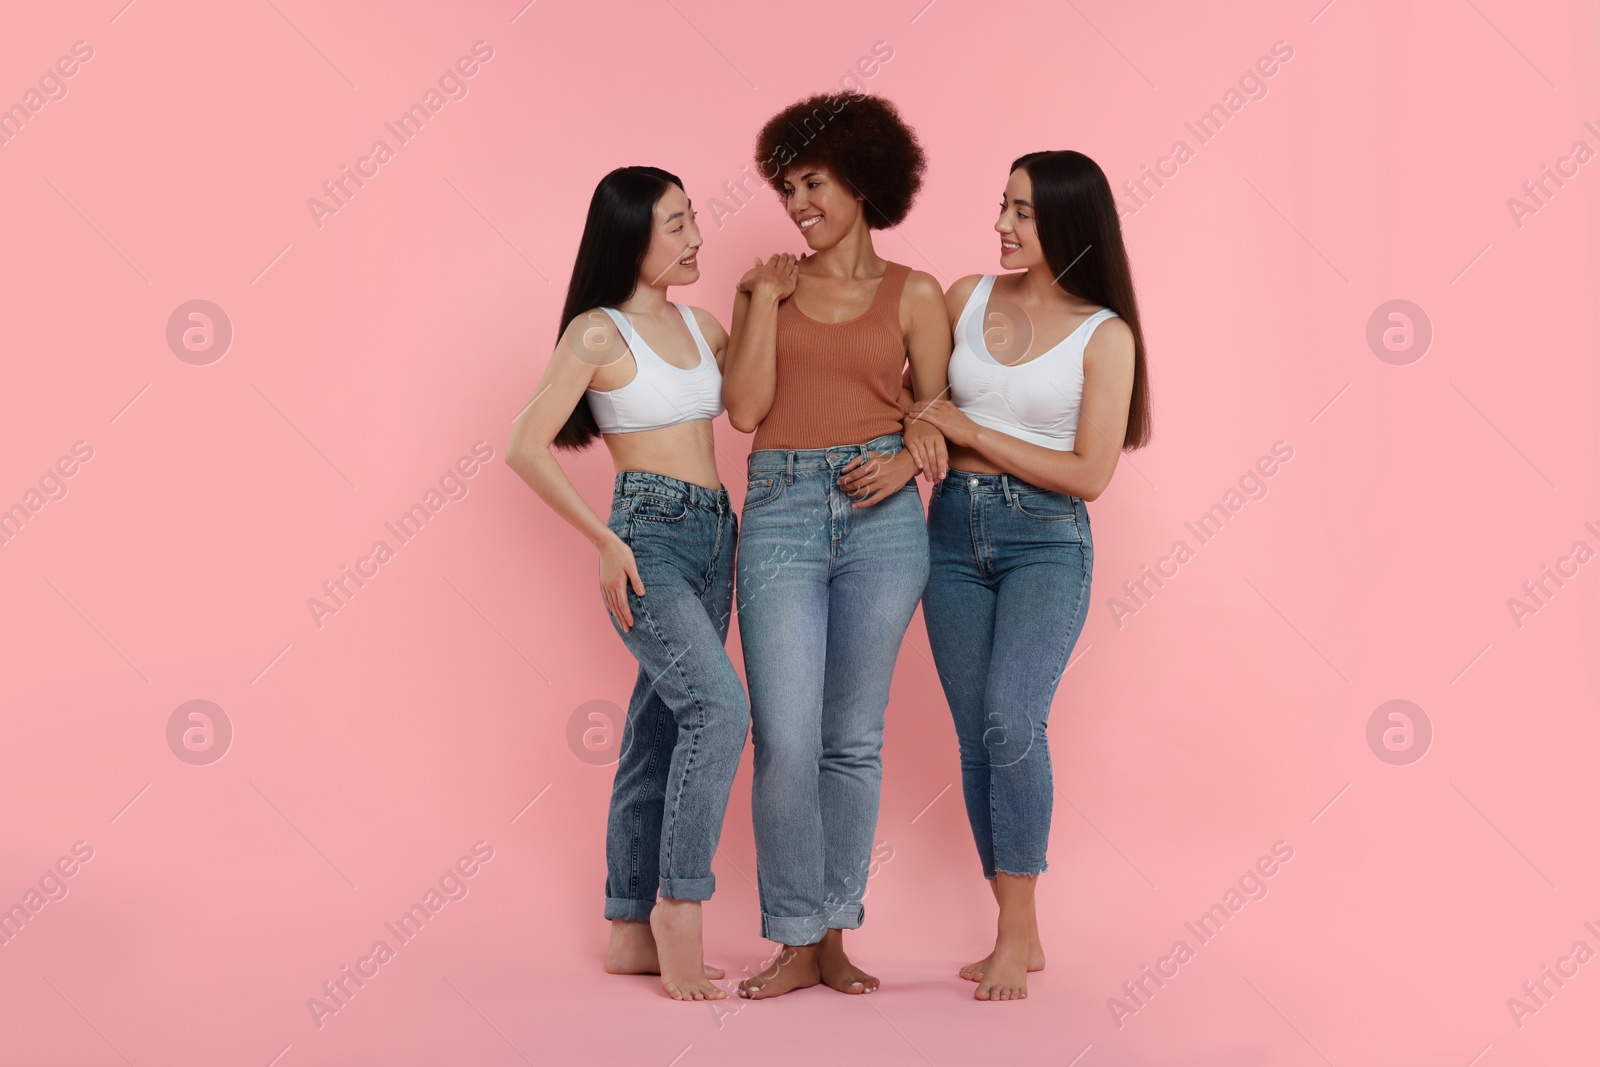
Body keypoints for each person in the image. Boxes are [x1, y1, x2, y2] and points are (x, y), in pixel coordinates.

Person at [908, 149, 1152, 1001]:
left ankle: (1016, 932)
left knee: (1014, 720)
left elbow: (1089, 473)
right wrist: (927, 429)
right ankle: (1018, 928)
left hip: (1047, 541)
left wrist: (968, 433)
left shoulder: (1105, 334)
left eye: (1024, 213)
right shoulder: (963, 297)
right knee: (977, 734)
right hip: (948, 538)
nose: (1003, 226)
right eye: (1003, 207)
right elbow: (916, 405)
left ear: (1071, 224)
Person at [722, 92, 950, 1000]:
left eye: (812, 183)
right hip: (779, 504)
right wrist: (759, 300)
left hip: (883, 520)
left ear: (862, 181)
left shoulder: (916, 292)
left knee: (851, 738)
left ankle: (834, 932)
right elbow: (742, 410)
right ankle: (789, 931)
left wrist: (904, 459)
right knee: (784, 735)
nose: (798, 204)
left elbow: (936, 411)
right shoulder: (769, 285)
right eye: (787, 189)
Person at [504, 166, 749, 1001]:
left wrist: (776, 300)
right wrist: (604, 539)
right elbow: (524, 444)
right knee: (719, 710)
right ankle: (679, 908)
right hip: (648, 536)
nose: (696, 238)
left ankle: (625, 929)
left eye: (693, 220)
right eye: (676, 224)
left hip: (719, 534)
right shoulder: (597, 334)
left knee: (658, 728)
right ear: (632, 236)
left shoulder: (705, 325)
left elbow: (755, 403)